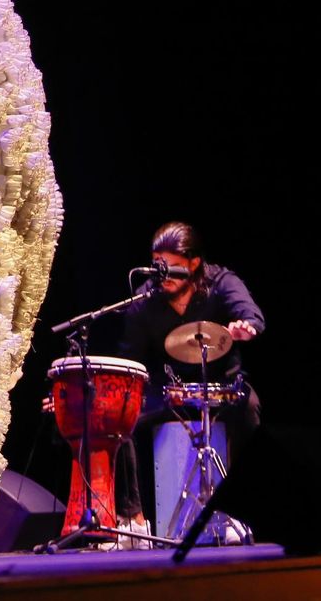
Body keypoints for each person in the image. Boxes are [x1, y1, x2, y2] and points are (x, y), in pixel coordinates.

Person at [115, 221, 264, 533]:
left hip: (222, 385)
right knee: (122, 417)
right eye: (159, 265)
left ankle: (241, 508)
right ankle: (134, 521)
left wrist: (243, 329)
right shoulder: (144, 302)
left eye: (174, 267)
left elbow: (252, 318)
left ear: (194, 264)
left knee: (249, 408)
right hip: (169, 391)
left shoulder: (222, 283)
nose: (164, 275)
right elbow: (131, 359)